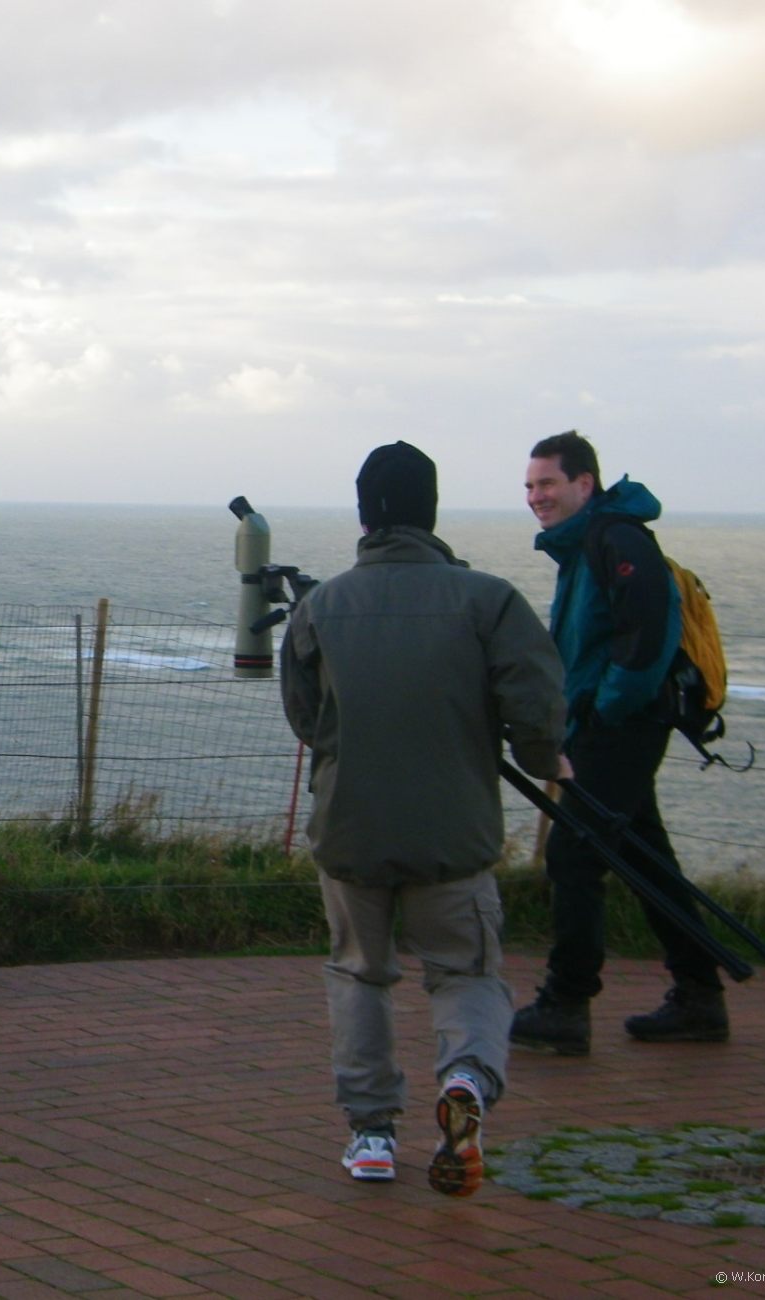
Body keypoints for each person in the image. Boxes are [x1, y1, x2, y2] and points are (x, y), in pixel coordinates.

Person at [281, 441, 567, 1195]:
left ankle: (372, 1134)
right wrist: (543, 756)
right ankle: (466, 1080)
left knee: (359, 973)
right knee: (465, 971)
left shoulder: (320, 606)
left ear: (364, 515)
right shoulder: (489, 600)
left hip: (350, 827)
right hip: (453, 830)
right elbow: (535, 701)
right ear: (432, 511)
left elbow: (306, 719)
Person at [510, 430, 729, 1055]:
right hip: (610, 725)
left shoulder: (617, 538)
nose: (536, 495)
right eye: (529, 486)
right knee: (643, 854)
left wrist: (605, 709)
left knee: (575, 856)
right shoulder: (588, 544)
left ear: (584, 483)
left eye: (547, 483)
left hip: (621, 726)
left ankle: (567, 1003)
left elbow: (646, 634)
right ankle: (699, 995)